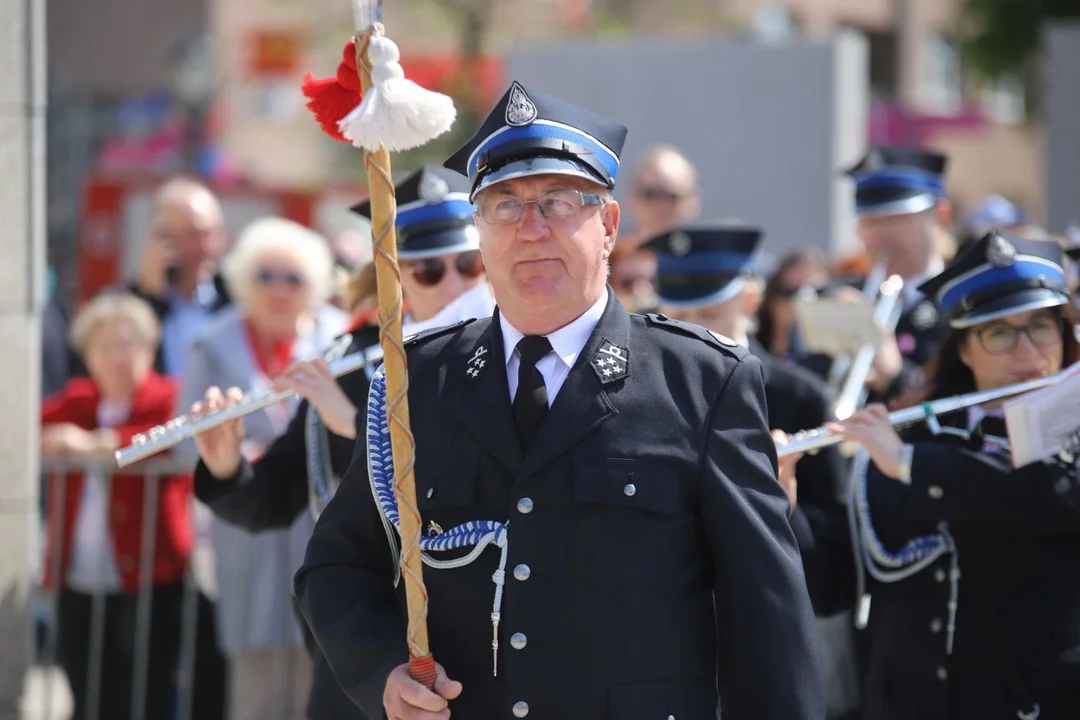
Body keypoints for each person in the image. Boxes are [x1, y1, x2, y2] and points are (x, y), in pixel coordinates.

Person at [285, 81, 824, 719]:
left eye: (560, 202)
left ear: (609, 226)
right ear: (478, 232)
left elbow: (767, 614)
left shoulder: (703, 382)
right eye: (504, 205)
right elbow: (336, 569)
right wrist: (382, 672)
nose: (531, 229)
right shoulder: (419, 382)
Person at [189, 165, 493, 720]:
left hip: (474, 640)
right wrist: (227, 464)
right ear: (395, 280)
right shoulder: (353, 360)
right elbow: (274, 500)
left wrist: (354, 425)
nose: (454, 284)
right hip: (366, 649)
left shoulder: (516, 353)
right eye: (428, 271)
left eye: (469, 265)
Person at [826, 231, 1080, 719]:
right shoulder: (916, 439)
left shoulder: (913, 458)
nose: (1027, 354)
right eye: (1000, 333)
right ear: (964, 349)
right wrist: (781, 499)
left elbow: (1043, 495)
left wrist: (910, 466)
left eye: (1042, 327)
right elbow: (833, 579)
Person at [643, 224, 858, 718]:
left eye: (709, 314)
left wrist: (782, 506)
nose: (692, 332)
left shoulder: (799, 397)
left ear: (750, 298)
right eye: (676, 317)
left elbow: (833, 583)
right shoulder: (638, 389)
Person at [175, 216, 348, 720]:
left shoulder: (341, 341)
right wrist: (237, 461)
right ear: (245, 279)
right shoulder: (214, 342)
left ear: (314, 284)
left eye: (293, 278)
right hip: (247, 529)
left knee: (325, 670)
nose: (279, 289)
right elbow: (192, 438)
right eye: (266, 276)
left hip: (325, 528)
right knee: (255, 681)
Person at [40, 292, 195, 720]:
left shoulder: (169, 397)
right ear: (87, 355)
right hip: (79, 574)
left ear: (150, 350)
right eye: (105, 346)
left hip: (149, 573)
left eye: (130, 345)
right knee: (87, 690)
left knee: (146, 692)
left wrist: (94, 445)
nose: (118, 358)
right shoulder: (77, 400)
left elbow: (170, 438)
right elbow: (28, 426)